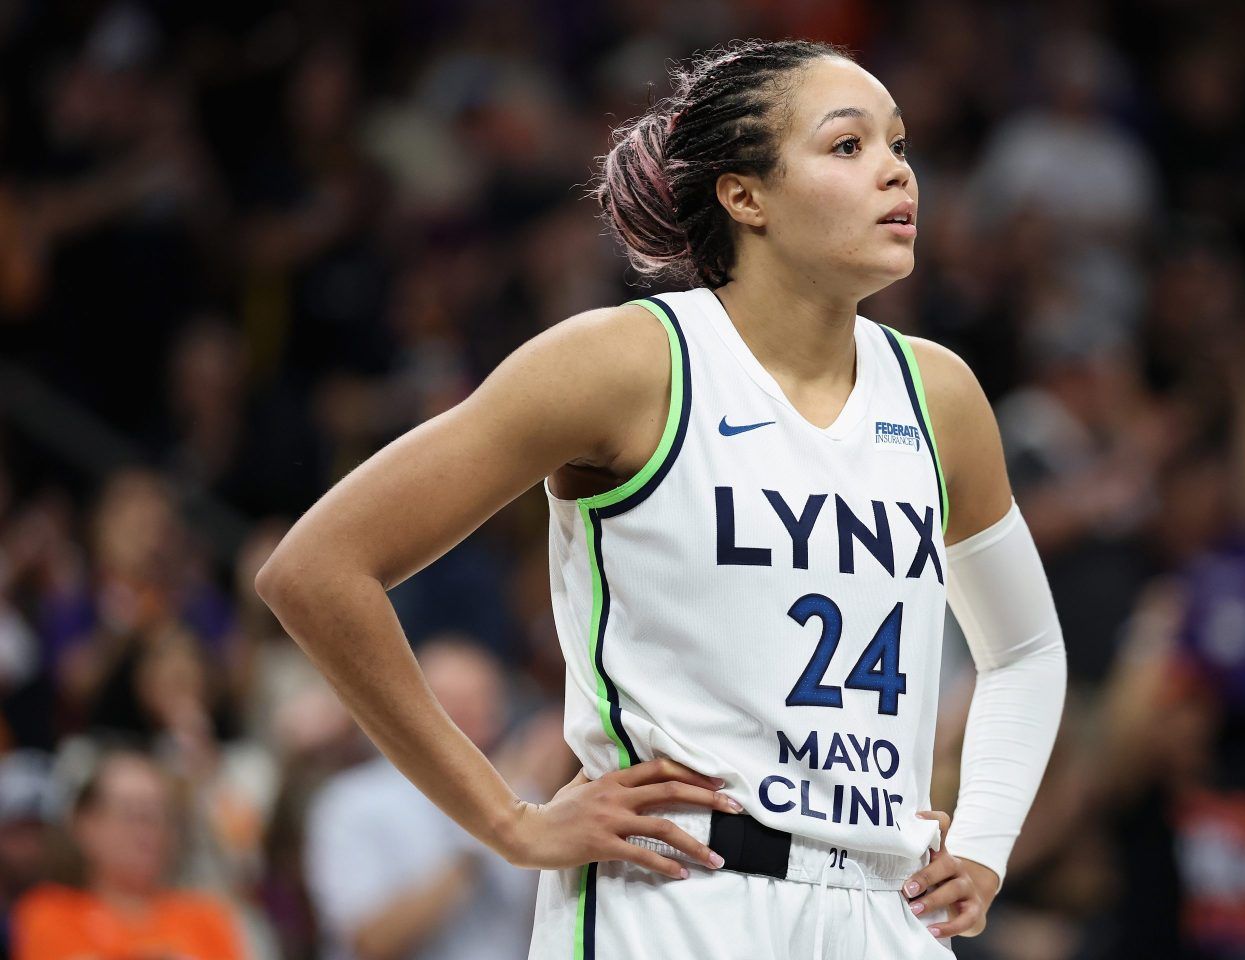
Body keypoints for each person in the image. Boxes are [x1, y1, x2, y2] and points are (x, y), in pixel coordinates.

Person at [255, 38, 1066, 959]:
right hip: (680, 899)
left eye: (901, 146)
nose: (896, 172)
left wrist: (988, 842)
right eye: (849, 146)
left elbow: (1027, 648)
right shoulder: (628, 362)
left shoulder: (940, 394)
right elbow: (316, 569)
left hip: (887, 907)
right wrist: (507, 821)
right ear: (745, 195)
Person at [304, 638, 562, 960]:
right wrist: (488, 833)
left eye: (480, 702)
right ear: (411, 708)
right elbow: (370, 942)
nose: (467, 718)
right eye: (450, 703)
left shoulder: (525, 792)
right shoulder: (352, 802)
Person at [10, 746, 245, 960]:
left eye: (157, 816)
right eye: (130, 815)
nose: (145, 831)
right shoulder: (47, 912)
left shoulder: (206, 917)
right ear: (86, 825)